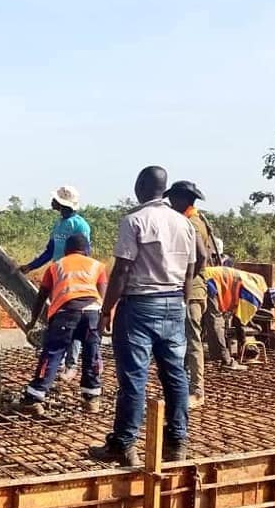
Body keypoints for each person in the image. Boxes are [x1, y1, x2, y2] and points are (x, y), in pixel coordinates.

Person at [90, 166, 196, 467]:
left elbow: (122, 269)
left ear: (140, 186)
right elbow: (189, 272)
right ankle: (177, 443)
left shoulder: (134, 220)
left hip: (139, 306)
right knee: (175, 375)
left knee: (134, 378)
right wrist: (181, 305)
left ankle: (124, 445)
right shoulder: (183, 223)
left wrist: (106, 309)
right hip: (174, 302)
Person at [21, 234, 106, 415]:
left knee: (53, 353)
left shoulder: (55, 266)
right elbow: (103, 296)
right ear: (87, 250)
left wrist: (33, 320)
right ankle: (92, 399)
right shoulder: (97, 266)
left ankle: (34, 398)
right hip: (92, 313)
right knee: (92, 353)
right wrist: (105, 319)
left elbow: (41, 296)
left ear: (66, 250)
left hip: (65, 313)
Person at [164, 180, 231, 409]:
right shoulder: (196, 219)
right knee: (182, 339)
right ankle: (181, 386)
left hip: (192, 291)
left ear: (183, 200)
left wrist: (188, 278)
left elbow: (201, 257)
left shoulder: (191, 223)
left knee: (192, 340)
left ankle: (197, 390)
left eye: (173, 199)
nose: (171, 203)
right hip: (191, 288)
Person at [19, 185, 91, 380]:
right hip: (57, 276)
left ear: (62, 203)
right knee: (59, 320)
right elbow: (50, 251)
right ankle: (57, 362)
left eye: (55, 200)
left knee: (74, 321)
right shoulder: (59, 224)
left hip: (72, 279)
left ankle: (71, 365)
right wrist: (30, 266)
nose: (52, 202)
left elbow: (85, 253)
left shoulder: (80, 226)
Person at [203, 265, 275, 362]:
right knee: (216, 322)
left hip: (208, 274)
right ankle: (222, 358)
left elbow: (242, 311)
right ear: (269, 302)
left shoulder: (260, 282)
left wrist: (252, 324)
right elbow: (238, 322)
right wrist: (243, 343)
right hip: (212, 282)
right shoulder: (255, 299)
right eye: (271, 306)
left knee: (201, 318)